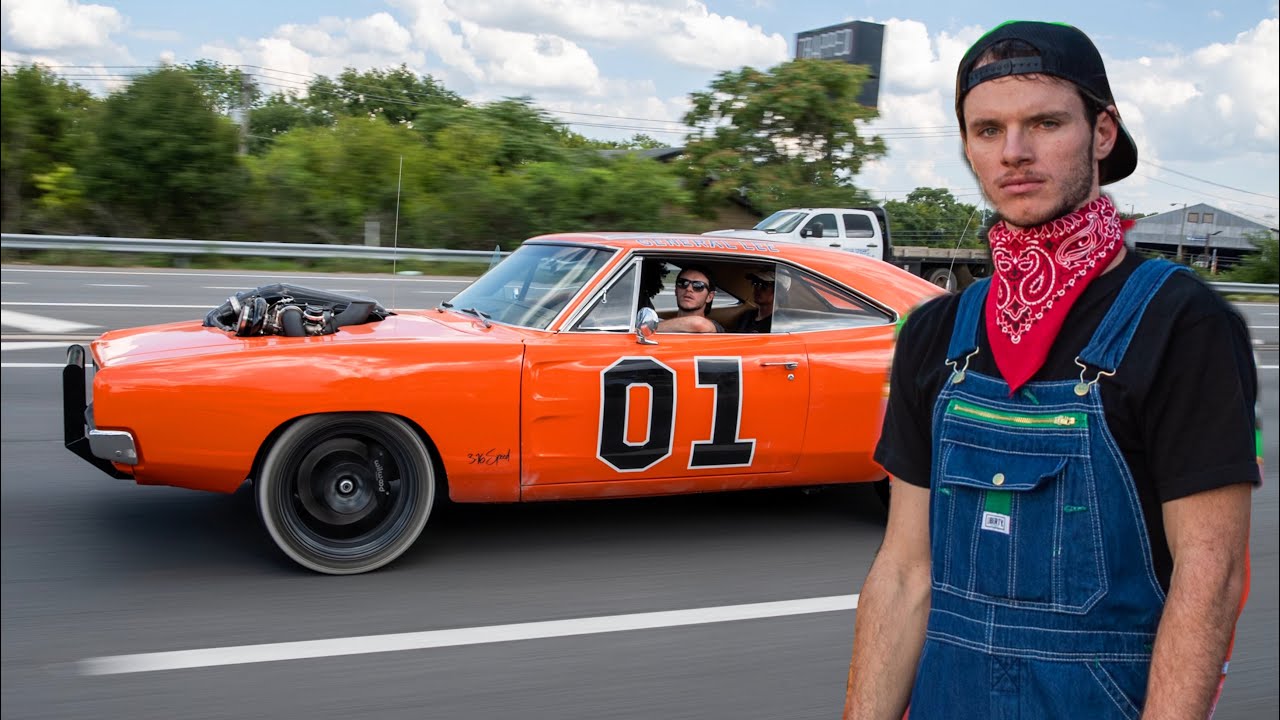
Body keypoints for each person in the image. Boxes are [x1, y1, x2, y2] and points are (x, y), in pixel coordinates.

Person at [843, 21, 1256, 720]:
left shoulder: (1185, 325)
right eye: (986, 130)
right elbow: (904, 573)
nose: (1014, 153)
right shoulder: (935, 333)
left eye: (1045, 122)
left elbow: (1209, 578)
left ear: (1101, 133)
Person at [656, 265, 723, 333]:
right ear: (676, 290)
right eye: (683, 283)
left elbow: (699, 324)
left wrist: (650, 328)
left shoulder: (713, 328)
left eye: (698, 286)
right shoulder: (660, 323)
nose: (688, 289)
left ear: (710, 297)